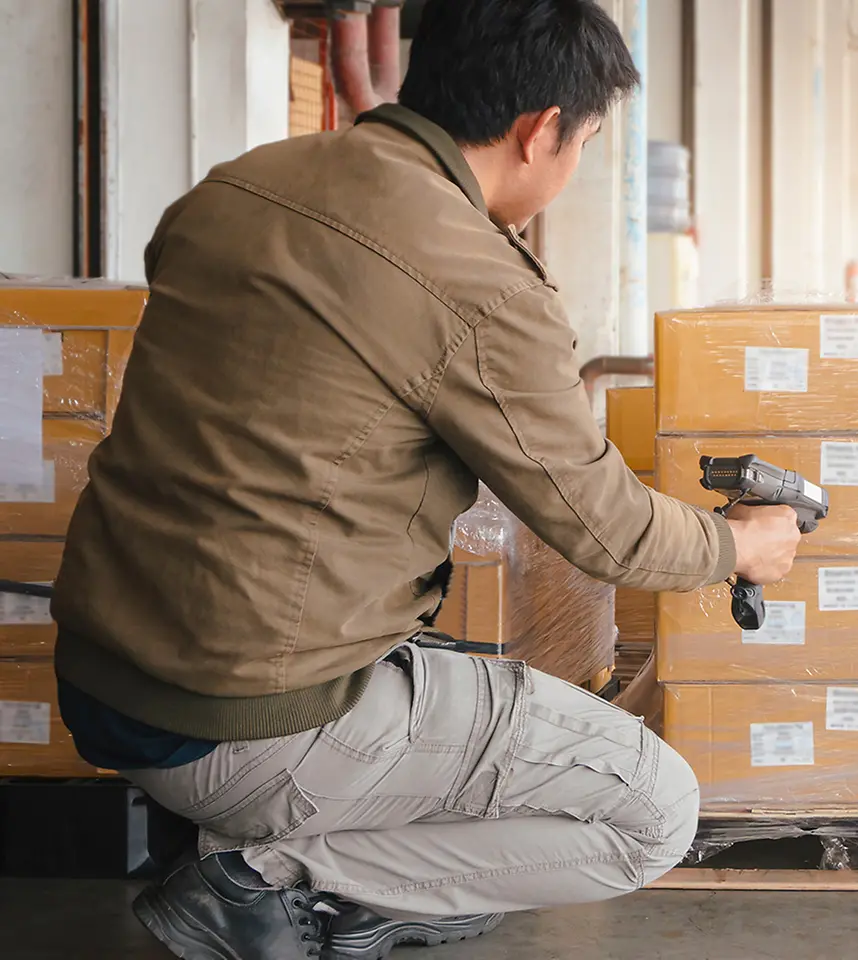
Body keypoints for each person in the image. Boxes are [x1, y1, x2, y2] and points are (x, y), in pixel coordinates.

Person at [49, 2, 804, 958]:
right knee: (654, 811)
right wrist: (742, 542)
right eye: (587, 143)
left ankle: (293, 845)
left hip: (103, 672)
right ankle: (264, 883)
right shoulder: (481, 282)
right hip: (245, 720)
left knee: (448, 663)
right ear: (541, 134)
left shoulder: (241, 185)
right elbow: (605, 530)